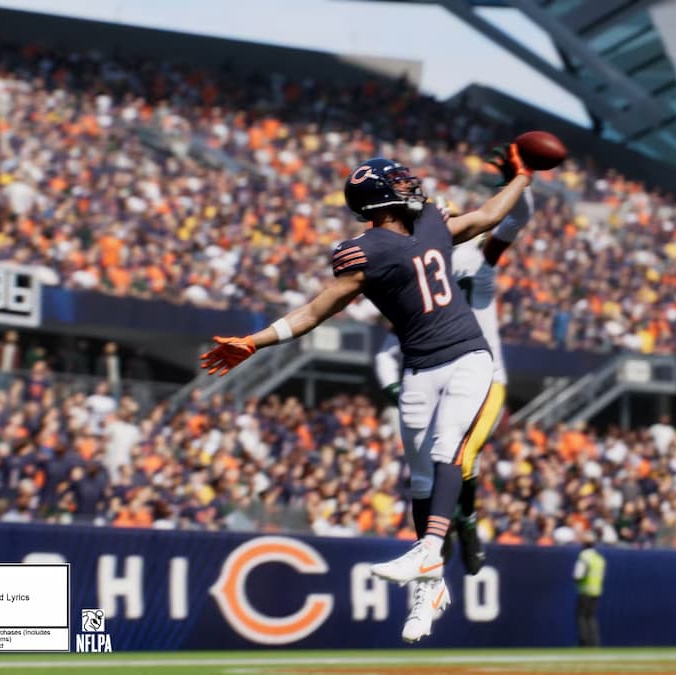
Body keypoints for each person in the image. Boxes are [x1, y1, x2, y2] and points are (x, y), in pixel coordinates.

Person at [202, 145, 536, 643]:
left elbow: (489, 215)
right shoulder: (364, 252)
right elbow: (315, 311)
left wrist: (523, 178)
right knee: (421, 482)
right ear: (378, 198)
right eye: (398, 180)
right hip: (419, 367)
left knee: (450, 448)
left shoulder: (430, 224)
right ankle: (432, 588)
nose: (410, 184)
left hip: (469, 355)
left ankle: (428, 551)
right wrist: (256, 340)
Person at [375, 183, 534, 576]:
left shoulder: (473, 264)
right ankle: (451, 529)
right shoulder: (419, 280)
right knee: (437, 465)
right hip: (438, 373)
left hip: (482, 374)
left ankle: (463, 525)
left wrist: (522, 178)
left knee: (458, 456)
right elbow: (386, 350)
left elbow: (512, 221)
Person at [574, 531, 605, 647]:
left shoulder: (584, 557)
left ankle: (585, 642)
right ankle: (595, 642)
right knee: (591, 617)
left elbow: (578, 575)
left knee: (582, 617)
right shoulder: (599, 558)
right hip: (596, 591)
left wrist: (578, 581)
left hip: (585, 590)